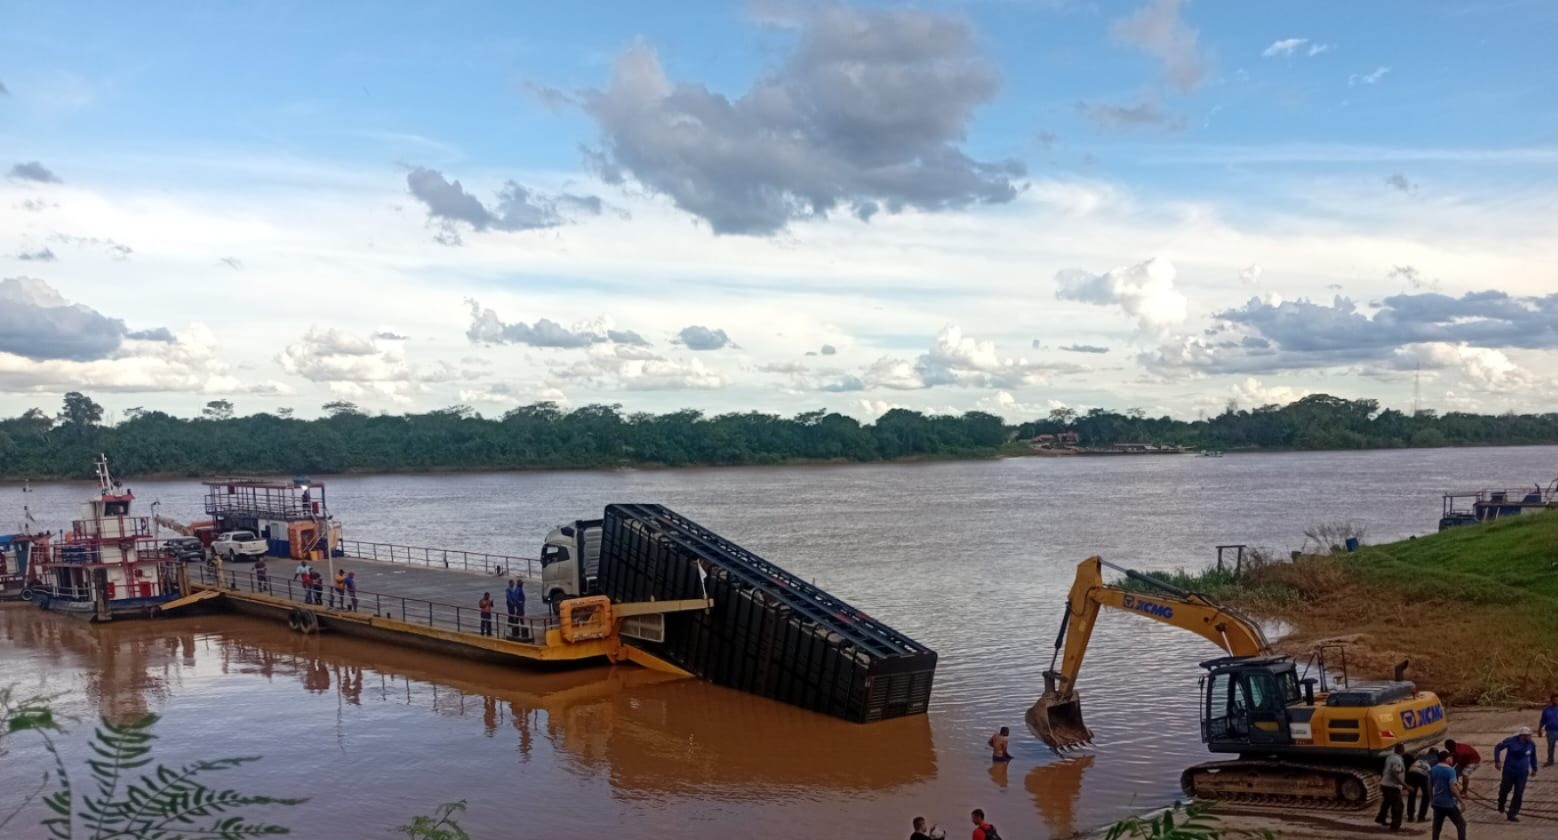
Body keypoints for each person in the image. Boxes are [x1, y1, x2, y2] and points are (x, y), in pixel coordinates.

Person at [1494, 725, 1539, 822]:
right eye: (1528, 735)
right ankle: (1501, 803)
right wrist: (1497, 761)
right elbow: (1498, 748)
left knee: (1519, 793)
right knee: (1505, 790)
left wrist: (1534, 768)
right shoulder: (1510, 741)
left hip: (1522, 773)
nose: (1530, 737)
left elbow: (1533, 756)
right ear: (1522, 735)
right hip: (1509, 771)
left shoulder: (1531, 744)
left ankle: (1512, 813)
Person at [1428, 750, 1466, 840]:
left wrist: (1431, 799)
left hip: (1437, 802)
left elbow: (1429, 786)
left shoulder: (1433, 769)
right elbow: (1453, 787)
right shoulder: (1450, 770)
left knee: (1437, 827)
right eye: (1451, 757)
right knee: (1461, 824)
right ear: (1447, 758)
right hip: (1449, 803)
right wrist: (1461, 801)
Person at [1375, 742, 1405, 831]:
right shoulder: (1397, 760)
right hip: (1392, 786)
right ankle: (1395, 826)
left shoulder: (1390, 757)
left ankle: (1381, 818)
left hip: (1385, 784)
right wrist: (1406, 785)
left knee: (1387, 802)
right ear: (1401, 750)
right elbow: (1395, 774)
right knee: (1398, 806)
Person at [1405, 747, 1433, 823]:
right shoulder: (1435, 759)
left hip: (1412, 770)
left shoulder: (1422, 755)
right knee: (1426, 796)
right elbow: (1431, 775)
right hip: (1423, 773)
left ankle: (1410, 817)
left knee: (1412, 794)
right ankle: (1421, 817)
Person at [1538, 693, 1558, 767]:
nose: (1556, 701)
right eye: (1554, 699)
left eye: (1557, 699)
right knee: (1550, 747)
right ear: (1551, 700)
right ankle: (1550, 761)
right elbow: (1542, 720)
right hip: (1550, 731)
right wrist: (1539, 729)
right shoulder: (1546, 710)